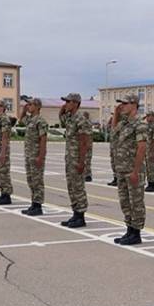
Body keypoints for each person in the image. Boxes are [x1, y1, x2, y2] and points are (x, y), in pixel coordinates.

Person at [112, 94, 148, 245]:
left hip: (133, 170)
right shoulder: (124, 124)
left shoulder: (140, 124)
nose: (122, 106)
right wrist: (116, 113)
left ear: (134, 105)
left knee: (136, 202)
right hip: (121, 169)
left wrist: (135, 170)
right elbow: (113, 131)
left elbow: (142, 148)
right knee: (125, 202)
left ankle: (136, 232)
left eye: (125, 104)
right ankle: (129, 229)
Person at [59, 93, 92, 228]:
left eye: (68, 101)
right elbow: (61, 119)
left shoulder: (80, 119)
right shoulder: (70, 118)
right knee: (71, 186)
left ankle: (81, 216)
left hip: (77, 158)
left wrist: (82, 161)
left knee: (78, 187)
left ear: (75, 103)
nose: (65, 104)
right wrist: (63, 108)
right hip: (70, 157)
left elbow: (84, 143)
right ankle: (75, 213)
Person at [19, 96, 48, 216]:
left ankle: (38, 206)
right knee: (31, 180)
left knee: (37, 181)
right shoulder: (31, 120)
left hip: (36, 155)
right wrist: (24, 110)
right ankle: (33, 203)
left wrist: (41, 156)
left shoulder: (41, 121)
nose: (28, 106)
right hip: (29, 155)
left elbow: (43, 139)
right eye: (28, 104)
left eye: (30, 105)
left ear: (37, 107)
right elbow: (21, 120)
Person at [107, 114, 118, 186]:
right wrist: (109, 122)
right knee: (113, 164)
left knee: (117, 165)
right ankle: (115, 178)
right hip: (112, 148)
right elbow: (107, 129)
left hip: (118, 149)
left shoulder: (119, 126)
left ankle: (118, 179)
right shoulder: (112, 127)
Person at [82, 111, 94, 182]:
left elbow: (88, 134)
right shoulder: (88, 123)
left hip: (87, 144)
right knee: (87, 160)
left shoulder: (86, 123)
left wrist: (88, 144)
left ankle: (87, 175)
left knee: (86, 160)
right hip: (87, 143)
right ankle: (87, 174)